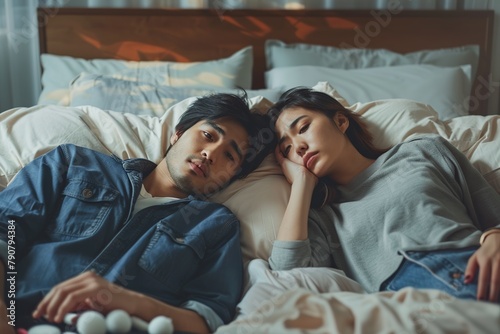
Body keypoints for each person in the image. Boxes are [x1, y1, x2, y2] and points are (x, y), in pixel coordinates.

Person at [0, 92, 274, 334]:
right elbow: (6, 234)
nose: (210, 153)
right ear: (177, 132)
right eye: (208, 135)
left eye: (230, 156)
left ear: (232, 176)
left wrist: (132, 301)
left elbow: (206, 319)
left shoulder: (216, 226)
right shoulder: (74, 163)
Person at [267, 87, 500, 304]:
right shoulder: (323, 217)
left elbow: (493, 214)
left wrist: (494, 238)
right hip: (409, 302)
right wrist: (301, 184)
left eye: (303, 128)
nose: (298, 146)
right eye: (287, 148)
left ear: (340, 121)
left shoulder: (423, 151)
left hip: (477, 263)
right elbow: (285, 276)